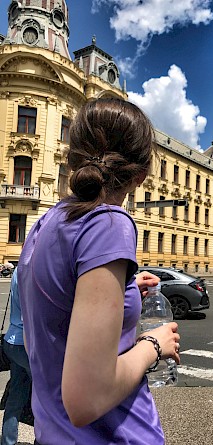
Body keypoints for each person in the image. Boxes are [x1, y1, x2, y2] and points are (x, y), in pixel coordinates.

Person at [17, 98, 181, 445]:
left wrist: (123, 287)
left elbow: (52, 319)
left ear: (72, 156)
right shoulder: (108, 222)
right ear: (140, 176)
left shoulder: (46, 223)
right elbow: (87, 399)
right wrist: (155, 343)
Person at [1, 268, 32, 445]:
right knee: (47, 399)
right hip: (27, 344)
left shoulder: (19, 270)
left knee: (16, 396)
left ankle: (7, 441)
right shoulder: (36, 270)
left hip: (12, 340)